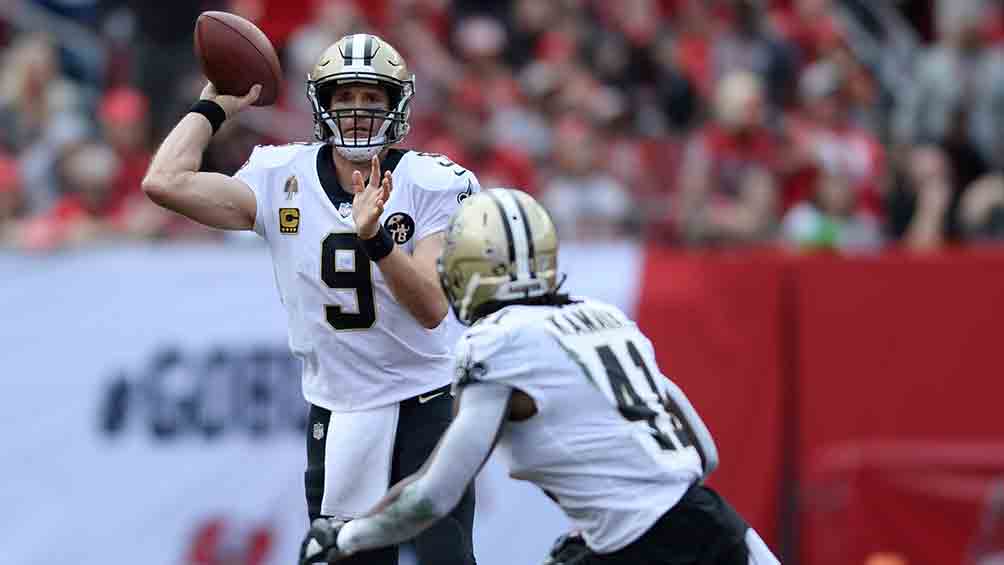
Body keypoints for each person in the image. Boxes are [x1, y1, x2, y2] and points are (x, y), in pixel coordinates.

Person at [299, 189, 780, 565]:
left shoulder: (500, 341)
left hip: (644, 547)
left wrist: (346, 536)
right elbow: (703, 452)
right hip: (717, 526)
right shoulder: (604, 317)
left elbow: (436, 492)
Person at [142, 33, 479, 565]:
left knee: (446, 559)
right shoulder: (281, 176)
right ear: (323, 105)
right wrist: (213, 108)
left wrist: (376, 240)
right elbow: (164, 182)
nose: (358, 111)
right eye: (345, 97)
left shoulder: (432, 181)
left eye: (372, 98)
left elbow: (432, 308)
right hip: (339, 406)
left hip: (425, 398)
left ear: (397, 106)